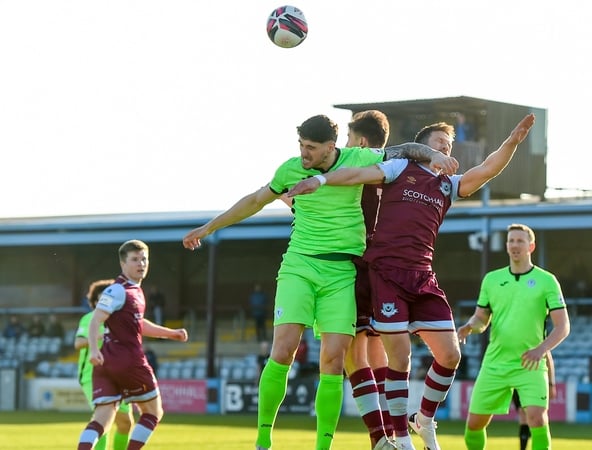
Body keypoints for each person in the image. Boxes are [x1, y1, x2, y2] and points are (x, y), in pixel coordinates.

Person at [181, 114, 458, 450]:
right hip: (300, 266)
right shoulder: (290, 169)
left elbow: (407, 149)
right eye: (300, 145)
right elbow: (255, 200)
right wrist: (209, 228)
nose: (303, 153)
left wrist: (434, 156)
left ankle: (335, 444)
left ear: (333, 146)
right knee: (283, 350)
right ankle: (263, 441)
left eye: (310, 147)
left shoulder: (360, 159)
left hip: (343, 272)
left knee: (335, 360)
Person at [289, 113, 536, 450]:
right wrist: (320, 181)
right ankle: (398, 438)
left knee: (450, 355)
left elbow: (488, 169)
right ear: (422, 148)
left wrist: (512, 142)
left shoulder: (448, 185)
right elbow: (357, 173)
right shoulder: (398, 168)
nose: (446, 150)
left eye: (449, 146)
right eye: (439, 143)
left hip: (422, 277)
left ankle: (423, 418)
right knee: (394, 357)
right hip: (384, 273)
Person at [456, 223, 570, 450]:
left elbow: (563, 326)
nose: (515, 245)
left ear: (531, 246)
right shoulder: (491, 280)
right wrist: (470, 326)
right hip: (495, 363)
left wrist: (541, 350)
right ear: (506, 246)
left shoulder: (546, 280)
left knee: (537, 418)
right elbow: (481, 318)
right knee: (474, 424)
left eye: (520, 241)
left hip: (530, 364)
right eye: (511, 241)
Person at [76, 240, 189, 450]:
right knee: (154, 412)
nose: (141, 263)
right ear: (123, 264)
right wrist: (92, 348)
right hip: (129, 361)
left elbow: (138, 324)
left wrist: (171, 334)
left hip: (106, 363)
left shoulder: (132, 291)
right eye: (135, 259)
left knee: (102, 420)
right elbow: (95, 320)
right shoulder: (119, 290)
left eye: (144, 259)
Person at [342, 110, 395, 450]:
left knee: (351, 352)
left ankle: (379, 437)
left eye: (348, 140)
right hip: (385, 265)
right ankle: (393, 432)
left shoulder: (352, 172)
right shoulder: (395, 168)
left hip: (354, 264)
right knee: (377, 348)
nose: (343, 147)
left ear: (361, 142)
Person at [75, 279, 134, 450]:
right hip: (92, 376)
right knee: (104, 421)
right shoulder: (89, 318)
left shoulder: (121, 320)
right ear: (94, 302)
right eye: (101, 299)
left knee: (125, 423)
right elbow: (78, 343)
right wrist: (96, 337)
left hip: (118, 375)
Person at [511, 352, 556, 450]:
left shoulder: (537, 339)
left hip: (534, 380)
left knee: (537, 417)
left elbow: (548, 359)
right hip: (515, 380)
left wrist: (551, 383)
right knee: (523, 415)